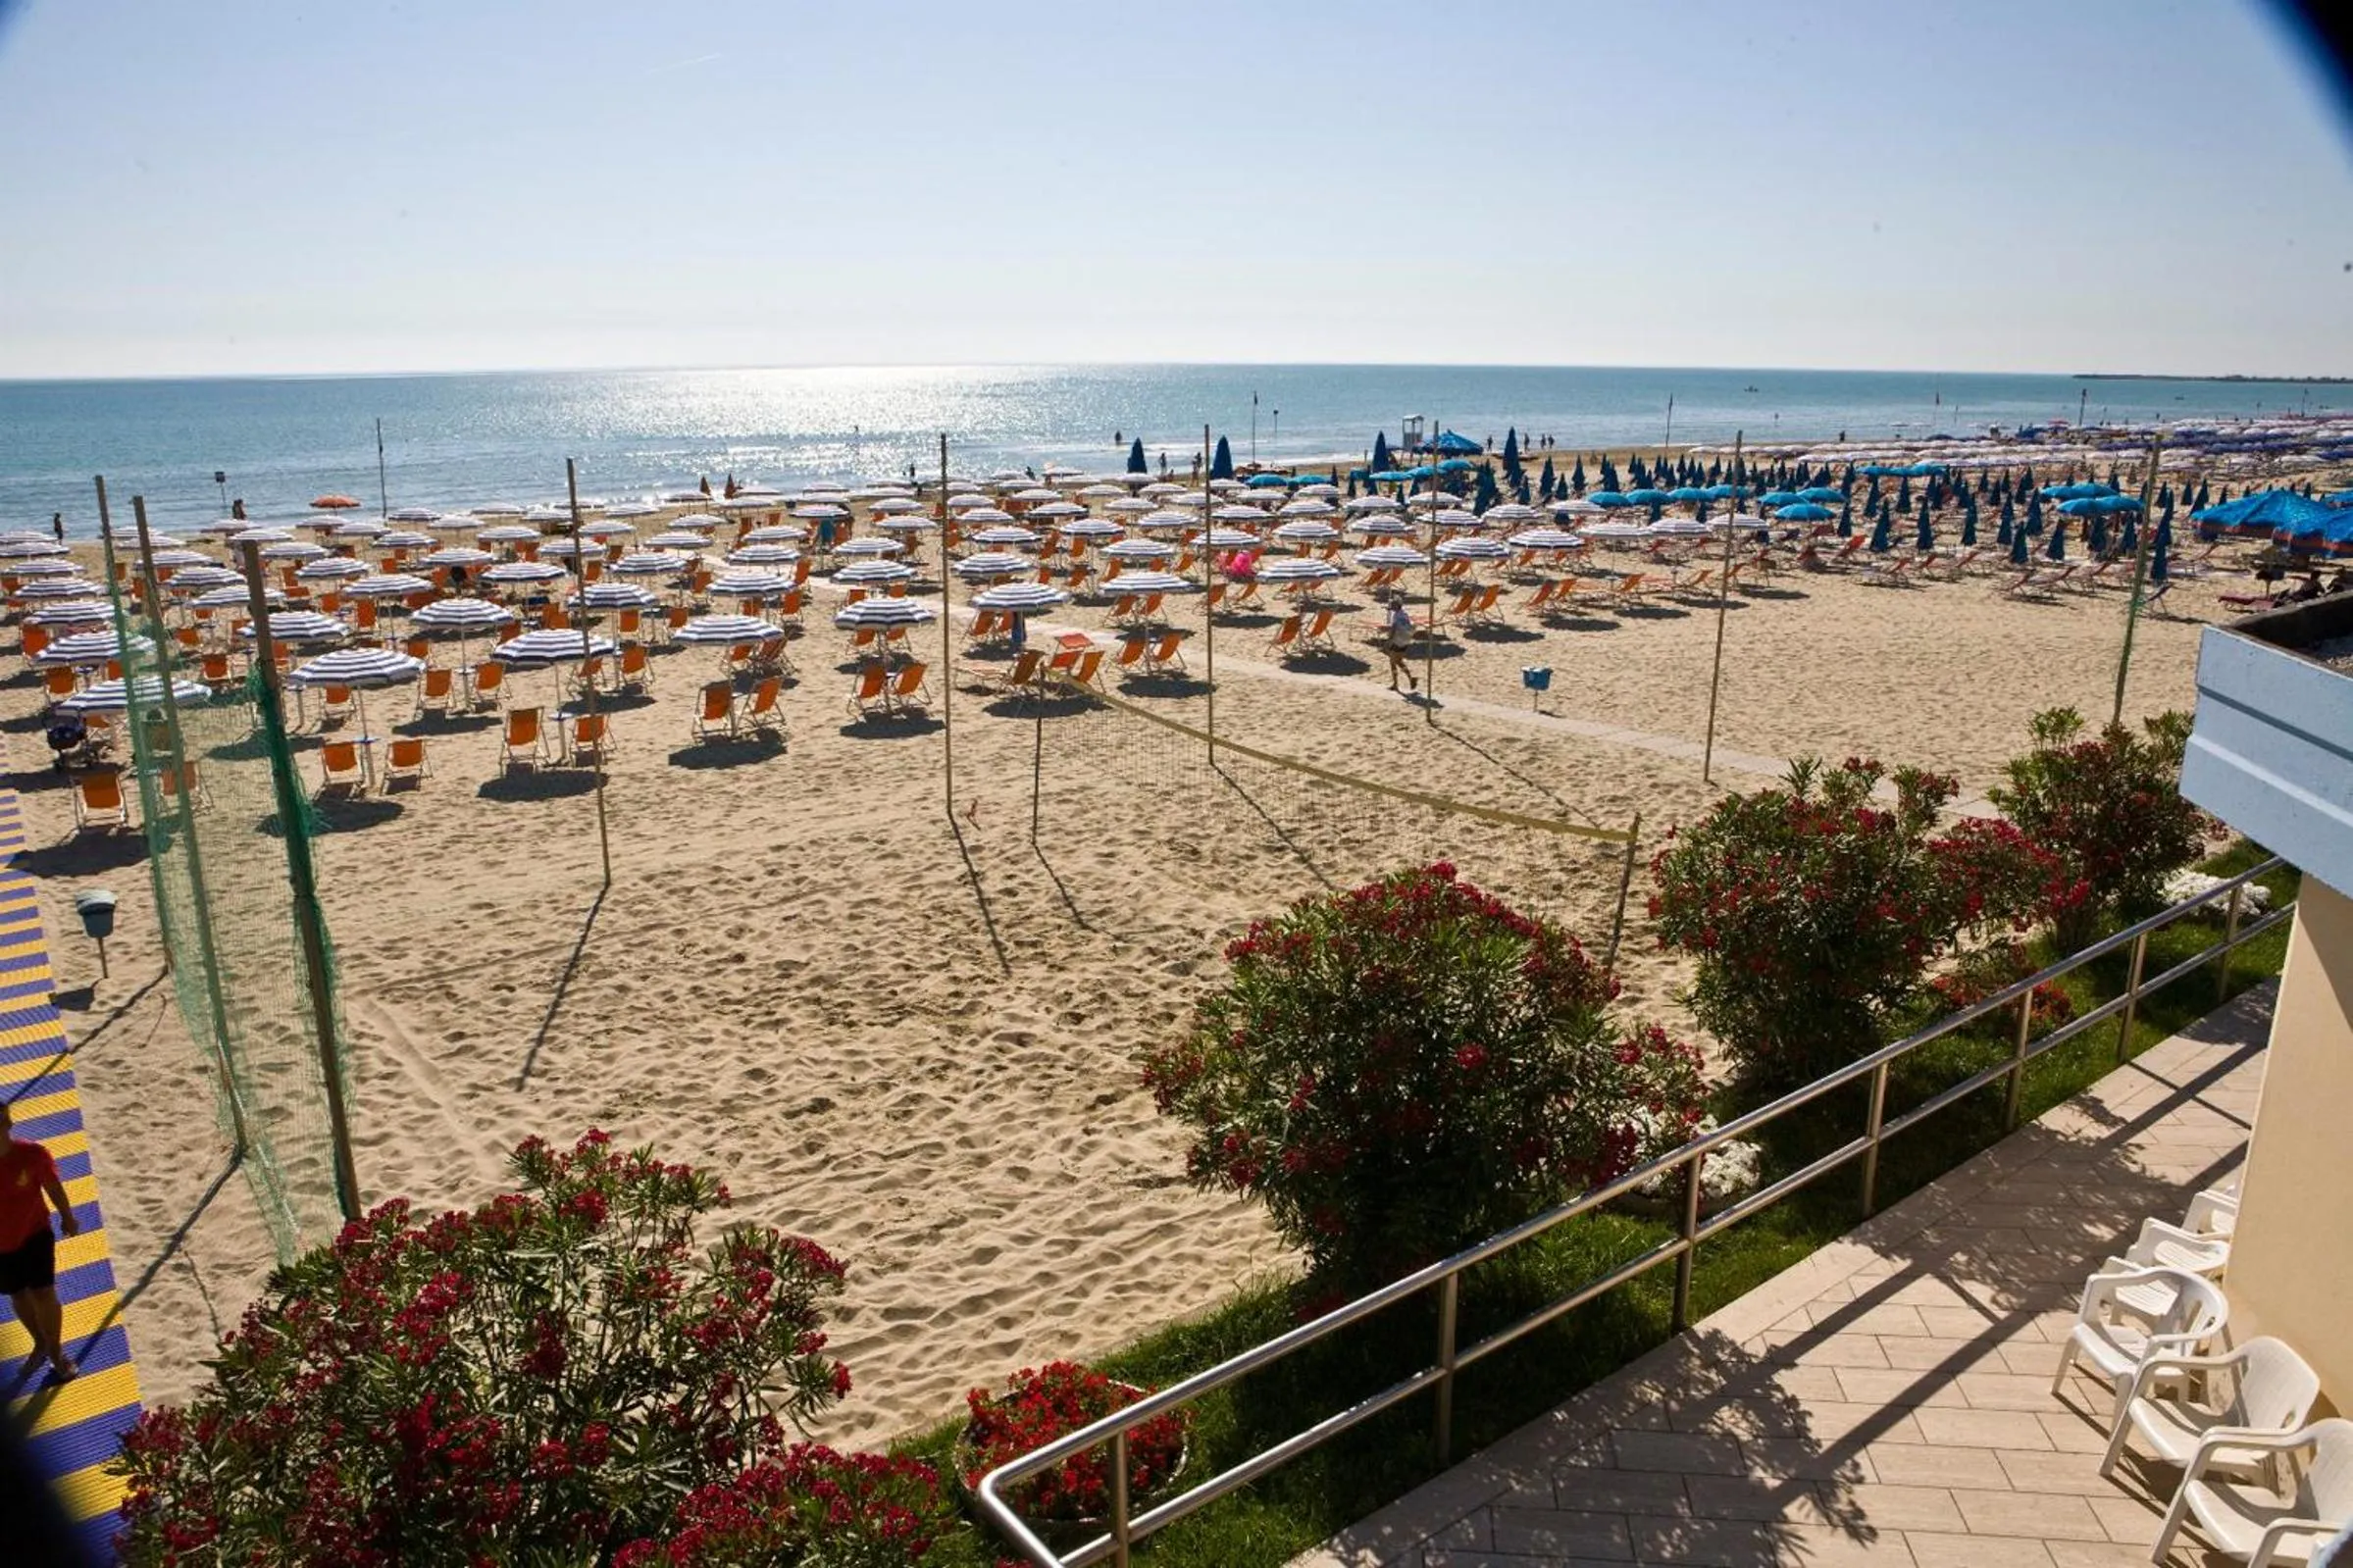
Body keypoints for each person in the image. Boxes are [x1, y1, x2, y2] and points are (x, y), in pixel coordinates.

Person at [0, 1098, 80, 1384]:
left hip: (35, 1234)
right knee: (19, 1295)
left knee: (44, 1293)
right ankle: (39, 1343)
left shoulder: (32, 1154)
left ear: (8, 1123)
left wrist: (67, 1216)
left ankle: (57, 1352)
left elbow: (52, 1185)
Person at [1383, 593, 1418, 693]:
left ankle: (1396, 684)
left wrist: (1388, 641)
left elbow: (1394, 629)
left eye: (1393, 604)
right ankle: (1410, 678)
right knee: (1398, 661)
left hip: (1397, 641)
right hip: (1405, 641)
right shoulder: (1405, 614)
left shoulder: (1396, 616)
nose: (1391, 606)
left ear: (1397, 605)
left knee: (1393, 662)